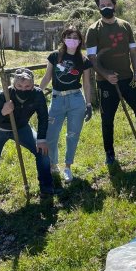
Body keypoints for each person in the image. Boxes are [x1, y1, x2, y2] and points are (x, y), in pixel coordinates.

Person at [85, 0, 136, 164]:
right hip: (106, 83)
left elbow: (133, 51)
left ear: (114, 5)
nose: (106, 8)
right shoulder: (93, 30)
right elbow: (92, 59)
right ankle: (109, 153)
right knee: (107, 118)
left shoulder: (125, 26)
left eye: (108, 4)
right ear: (99, 8)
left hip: (128, 79)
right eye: (102, 5)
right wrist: (106, 75)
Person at [0, 68, 58, 208]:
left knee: (42, 151)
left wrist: (41, 139)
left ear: (33, 85)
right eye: (19, 86)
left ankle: (47, 189)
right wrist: (2, 112)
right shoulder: (2, 96)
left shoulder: (37, 95)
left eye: (27, 86)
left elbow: (43, 117)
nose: (23, 89)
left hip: (21, 127)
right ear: (13, 85)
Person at [39, 27, 93, 183]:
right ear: (63, 39)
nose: (72, 40)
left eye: (76, 37)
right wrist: (36, 93)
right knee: (51, 135)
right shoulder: (54, 56)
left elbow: (87, 84)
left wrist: (88, 104)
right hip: (57, 100)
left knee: (72, 135)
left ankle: (67, 167)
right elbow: (47, 77)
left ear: (80, 41)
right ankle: (53, 164)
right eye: (69, 37)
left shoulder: (83, 61)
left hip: (76, 100)